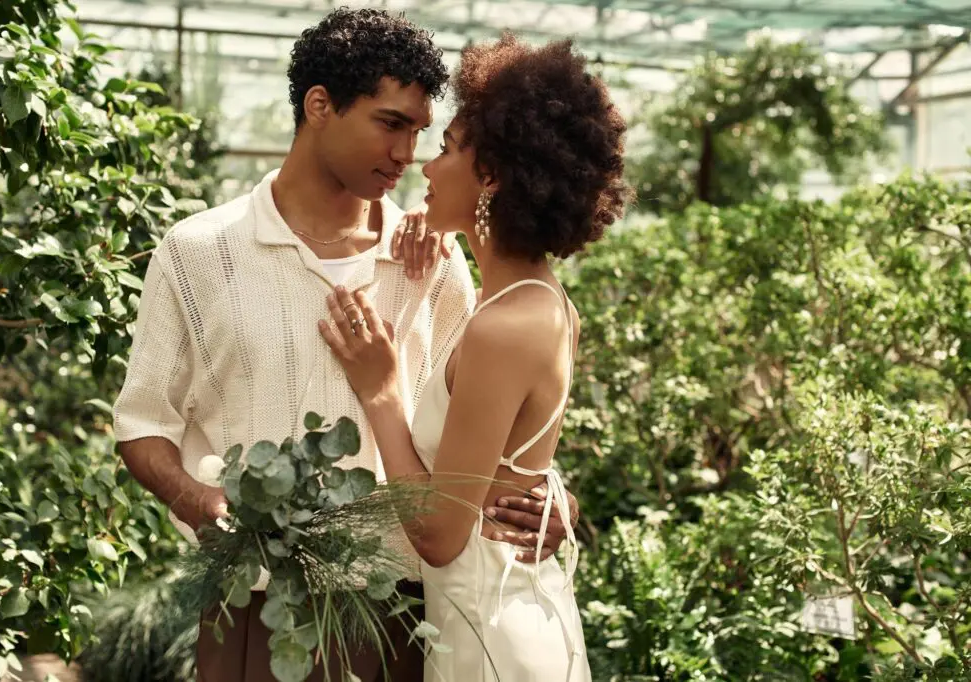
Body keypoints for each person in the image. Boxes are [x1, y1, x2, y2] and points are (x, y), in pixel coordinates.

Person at [112, 10, 579, 682]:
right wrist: (192, 497)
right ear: (320, 105)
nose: (406, 155)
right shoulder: (197, 253)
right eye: (390, 124)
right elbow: (142, 424)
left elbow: (483, 424)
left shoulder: (436, 262)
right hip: (254, 609)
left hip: (403, 613)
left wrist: (542, 497)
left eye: (421, 134)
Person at [320, 33, 628, 681]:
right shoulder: (539, 301)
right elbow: (506, 468)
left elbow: (438, 535)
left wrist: (381, 391)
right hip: (502, 621)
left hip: (492, 644)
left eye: (446, 149)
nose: (424, 169)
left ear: (490, 175)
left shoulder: (502, 327)